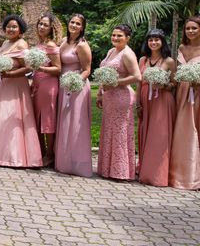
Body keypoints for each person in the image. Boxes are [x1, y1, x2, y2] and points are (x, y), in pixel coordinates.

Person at [0, 14, 42, 168]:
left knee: (10, 117)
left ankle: (12, 156)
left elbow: (28, 67)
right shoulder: (5, 43)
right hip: (0, 85)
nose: (10, 29)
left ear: (20, 30)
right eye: (8, 26)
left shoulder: (22, 44)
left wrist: (10, 74)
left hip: (15, 86)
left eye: (14, 27)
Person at [96, 24, 141, 181]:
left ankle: (120, 171)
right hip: (109, 97)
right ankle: (106, 168)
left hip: (122, 97)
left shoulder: (128, 54)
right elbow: (105, 74)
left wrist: (116, 83)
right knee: (109, 130)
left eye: (119, 36)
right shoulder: (111, 51)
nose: (115, 38)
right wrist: (100, 92)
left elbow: (137, 76)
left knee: (120, 132)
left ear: (128, 38)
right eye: (114, 35)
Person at [137, 28, 176, 187]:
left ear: (162, 42)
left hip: (162, 100)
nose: (153, 42)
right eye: (150, 40)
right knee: (145, 133)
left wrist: (164, 85)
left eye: (157, 40)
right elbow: (139, 83)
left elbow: (174, 84)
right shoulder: (143, 60)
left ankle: (157, 174)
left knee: (159, 136)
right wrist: (138, 102)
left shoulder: (169, 61)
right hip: (146, 99)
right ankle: (144, 169)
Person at [55, 14, 93, 177]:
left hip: (76, 86)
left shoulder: (82, 45)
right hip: (63, 84)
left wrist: (75, 81)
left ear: (82, 27)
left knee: (76, 123)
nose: (74, 25)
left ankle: (77, 163)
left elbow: (87, 69)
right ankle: (63, 161)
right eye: (72, 22)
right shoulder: (63, 41)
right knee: (64, 123)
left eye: (78, 24)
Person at [169, 16, 200, 189]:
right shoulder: (181, 47)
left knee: (194, 128)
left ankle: (194, 176)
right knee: (181, 129)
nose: (190, 31)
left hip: (197, 92)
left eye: (194, 28)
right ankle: (178, 173)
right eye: (188, 28)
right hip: (182, 92)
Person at [31, 13, 62, 166]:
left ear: (52, 28)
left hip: (48, 85)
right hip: (37, 83)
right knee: (37, 118)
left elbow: (58, 68)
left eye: (45, 25)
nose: (41, 27)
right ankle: (41, 151)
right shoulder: (39, 44)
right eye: (40, 24)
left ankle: (50, 154)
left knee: (47, 120)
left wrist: (40, 67)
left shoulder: (51, 45)